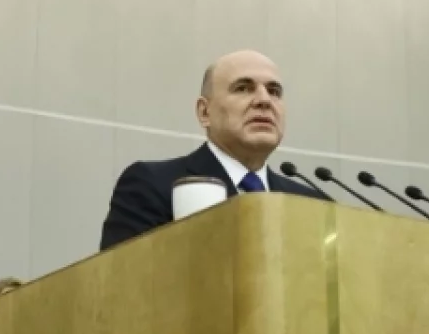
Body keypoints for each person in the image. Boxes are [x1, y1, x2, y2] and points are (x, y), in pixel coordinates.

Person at [99, 49, 328, 251]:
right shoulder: (153, 185)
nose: (264, 100)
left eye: (274, 91)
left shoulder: (312, 203)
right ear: (204, 112)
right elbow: (123, 279)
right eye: (243, 88)